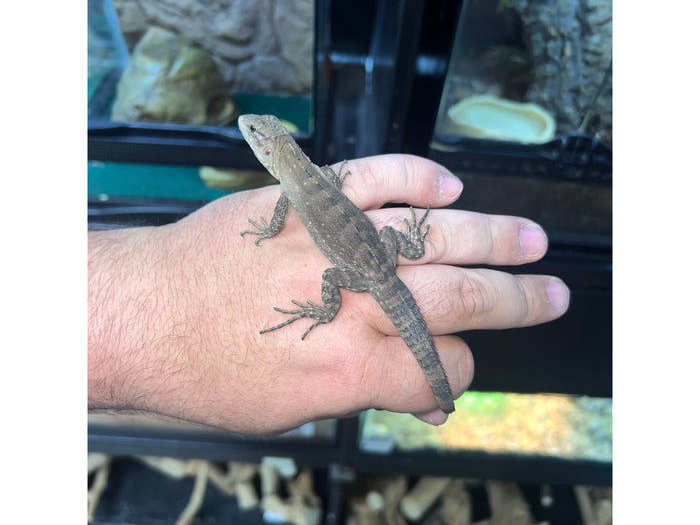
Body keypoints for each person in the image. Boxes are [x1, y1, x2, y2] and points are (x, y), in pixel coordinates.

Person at [88, 153, 569, 434]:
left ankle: (323, 311)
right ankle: (404, 260)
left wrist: (270, 241)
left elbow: (275, 227)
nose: (253, 138)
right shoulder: (312, 173)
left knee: (329, 280)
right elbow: (324, 196)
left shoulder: (293, 189)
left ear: (271, 153)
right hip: (383, 258)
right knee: (397, 270)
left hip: (363, 274)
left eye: (259, 138)